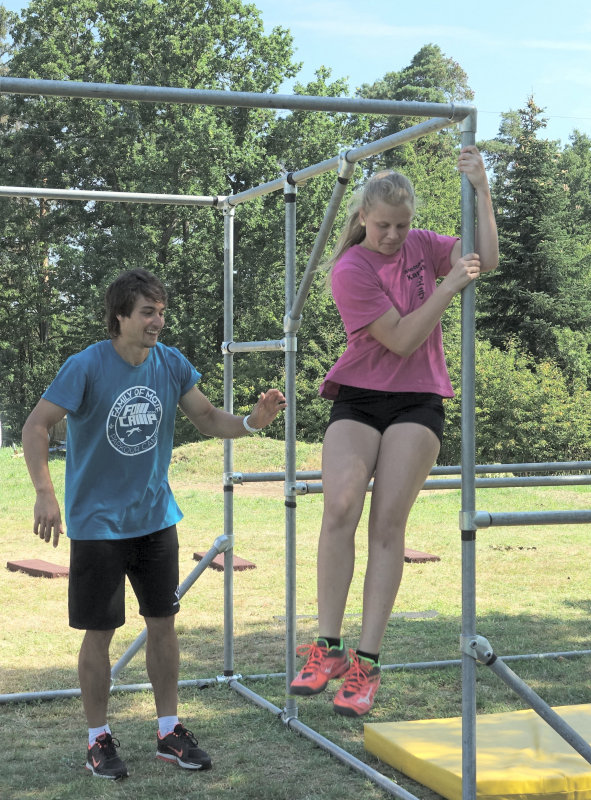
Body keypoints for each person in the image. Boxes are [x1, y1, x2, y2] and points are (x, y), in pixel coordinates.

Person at [22, 268, 286, 779]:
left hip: (155, 519)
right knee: (100, 632)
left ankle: (169, 732)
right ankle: (98, 739)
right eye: (148, 312)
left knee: (163, 625)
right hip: (98, 525)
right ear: (120, 316)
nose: (158, 321)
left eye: (162, 311)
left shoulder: (170, 363)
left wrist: (252, 422)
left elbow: (207, 418)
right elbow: (37, 424)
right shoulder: (86, 366)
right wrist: (44, 493)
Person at [290, 145, 498, 717]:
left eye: (402, 225)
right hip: (359, 397)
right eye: (383, 225)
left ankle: (367, 663)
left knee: (387, 525)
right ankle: (327, 646)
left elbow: (485, 259)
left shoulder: (421, 244)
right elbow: (402, 339)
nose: (392, 235)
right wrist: (448, 287)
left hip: (419, 399)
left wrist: (482, 190)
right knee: (339, 509)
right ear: (362, 216)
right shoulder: (350, 269)